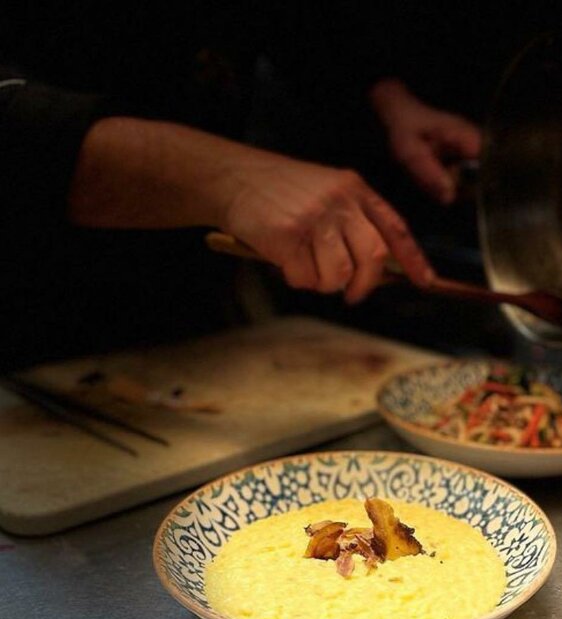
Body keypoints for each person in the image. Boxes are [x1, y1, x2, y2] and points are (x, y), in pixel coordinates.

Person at [0, 4, 483, 368]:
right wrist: (231, 178)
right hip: (35, 302)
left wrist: (385, 96)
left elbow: (298, 21)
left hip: (193, 308)